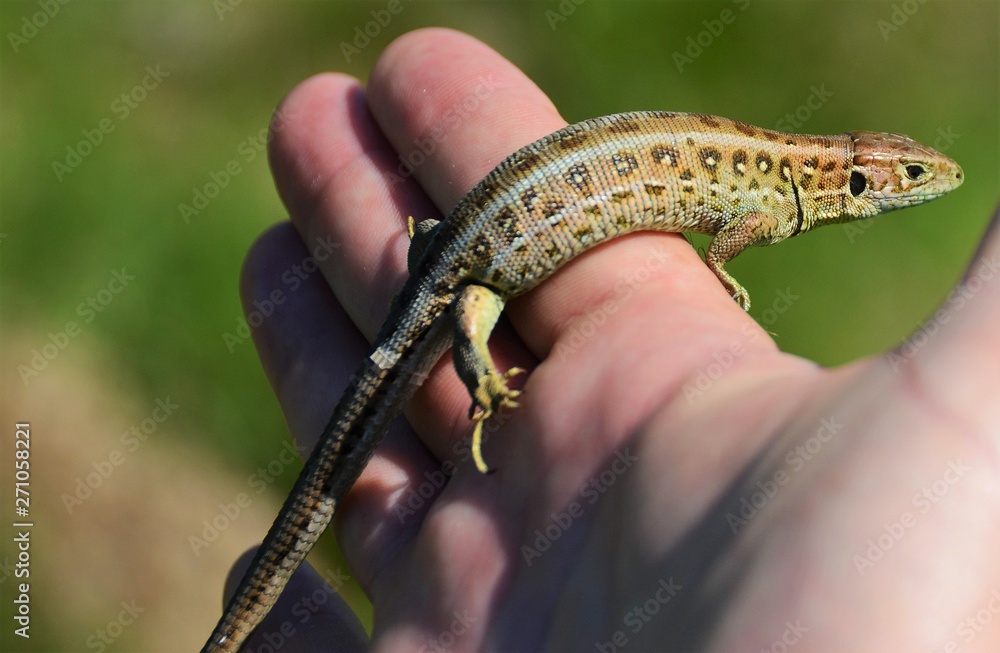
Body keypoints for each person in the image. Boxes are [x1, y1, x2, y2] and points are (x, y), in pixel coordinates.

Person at [224, 27, 1000, 652]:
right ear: (866, 180)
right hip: (485, 261)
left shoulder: (782, 178)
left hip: (479, 253)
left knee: (455, 310)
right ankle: (482, 383)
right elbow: (730, 234)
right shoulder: (771, 196)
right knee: (451, 325)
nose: (927, 182)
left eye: (916, 173)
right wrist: (720, 269)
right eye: (911, 175)